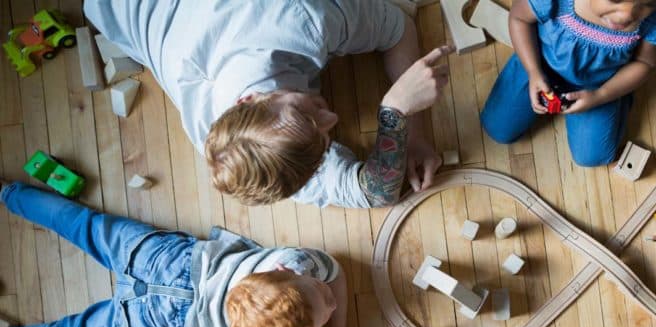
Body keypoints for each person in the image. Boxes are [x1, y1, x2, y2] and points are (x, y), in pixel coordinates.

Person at [0, 181, 412, 327]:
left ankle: (8, 195)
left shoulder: (296, 267)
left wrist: (337, 326)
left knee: (83, 225)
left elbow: (334, 274)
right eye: (326, 300)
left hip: (162, 263)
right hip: (159, 291)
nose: (333, 298)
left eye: (324, 302)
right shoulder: (296, 302)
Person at [83, 0, 451, 208]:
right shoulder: (233, 146)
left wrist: (412, 125)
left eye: (307, 113)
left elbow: (396, 27)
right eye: (323, 139)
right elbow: (375, 192)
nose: (331, 116)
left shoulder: (299, 19)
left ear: (250, 100)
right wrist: (398, 119)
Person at [482, 0, 656, 167]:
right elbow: (519, 19)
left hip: (600, 85)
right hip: (539, 65)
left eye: (647, 3)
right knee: (497, 129)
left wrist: (602, 95)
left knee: (592, 158)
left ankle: (620, 98)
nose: (627, 14)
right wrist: (533, 71)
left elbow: (644, 62)